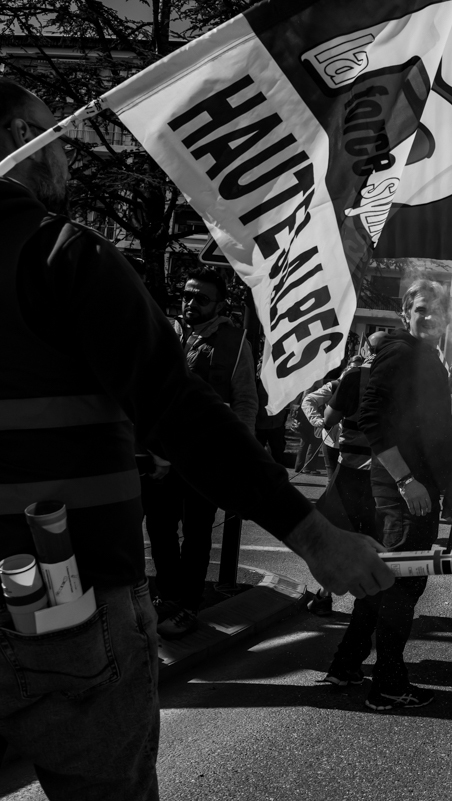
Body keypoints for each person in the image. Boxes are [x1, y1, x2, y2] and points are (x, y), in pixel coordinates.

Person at [0, 78, 391, 799]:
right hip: (55, 588)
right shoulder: (62, 257)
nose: (64, 151)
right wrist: (313, 534)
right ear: (15, 138)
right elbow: (178, 407)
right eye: (50, 134)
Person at [355, 279, 452, 711]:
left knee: (396, 581)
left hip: (418, 487)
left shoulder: (428, 357)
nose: (428, 316)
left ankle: (352, 665)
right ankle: (387, 685)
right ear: (405, 314)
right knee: (400, 583)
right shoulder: (399, 351)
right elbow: (370, 419)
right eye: (420, 309)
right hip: (404, 489)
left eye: (436, 309)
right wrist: (405, 481)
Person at [142, 265, 258, 639]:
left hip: (206, 457)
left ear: (220, 305)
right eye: (187, 294)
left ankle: (187, 604)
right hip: (160, 455)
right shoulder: (165, 331)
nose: (191, 302)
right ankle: (169, 595)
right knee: (159, 528)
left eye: (201, 298)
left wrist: (238, 458)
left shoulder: (236, 341)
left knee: (196, 532)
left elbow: (245, 403)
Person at [316, 332, 389, 675]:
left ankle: (325, 595)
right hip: (380, 480)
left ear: (364, 349)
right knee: (374, 554)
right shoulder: (394, 378)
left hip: (347, 476)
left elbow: (329, 419)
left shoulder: (354, 375)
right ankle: (353, 650)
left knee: (333, 539)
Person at [302, 369, 343, 480]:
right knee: (332, 478)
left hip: (352, 440)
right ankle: (307, 466)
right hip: (331, 439)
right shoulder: (334, 385)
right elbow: (308, 400)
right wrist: (319, 421)